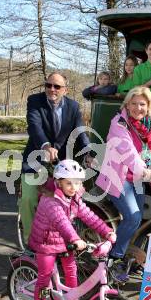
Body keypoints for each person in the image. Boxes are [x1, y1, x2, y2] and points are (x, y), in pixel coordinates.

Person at [28, 159, 116, 300]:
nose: (73, 187)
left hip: (65, 240)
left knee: (71, 268)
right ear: (58, 181)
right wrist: (76, 239)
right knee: (44, 280)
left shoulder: (75, 197)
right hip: (46, 242)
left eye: (77, 182)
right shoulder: (50, 200)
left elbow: (88, 216)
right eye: (68, 182)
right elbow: (61, 221)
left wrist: (106, 231)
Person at [96, 86, 151, 282]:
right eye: (133, 103)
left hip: (136, 179)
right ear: (127, 104)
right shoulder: (119, 123)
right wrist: (144, 171)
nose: (138, 108)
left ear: (149, 106)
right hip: (117, 178)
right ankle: (114, 258)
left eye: (142, 104)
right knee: (133, 216)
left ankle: (120, 252)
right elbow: (128, 152)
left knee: (137, 218)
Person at [20, 72, 90, 243]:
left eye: (57, 86)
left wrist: (88, 153)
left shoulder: (73, 107)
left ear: (65, 90)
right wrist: (45, 145)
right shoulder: (35, 101)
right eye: (48, 85)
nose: (52, 89)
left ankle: (64, 239)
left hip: (62, 163)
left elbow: (79, 131)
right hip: (36, 158)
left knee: (71, 199)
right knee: (29, 199)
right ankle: (30, 242)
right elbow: (34, 126)